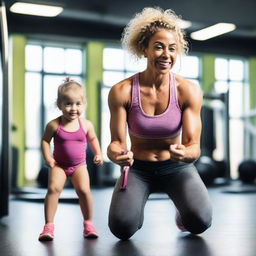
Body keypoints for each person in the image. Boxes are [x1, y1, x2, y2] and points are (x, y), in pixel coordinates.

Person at [107, 7, 212, 240]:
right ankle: (135, 210)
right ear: (144, 49)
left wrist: (185, 154)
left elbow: (193, 146)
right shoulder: (122, 91)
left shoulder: (188, 91)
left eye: (172, 48)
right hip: (137, 169)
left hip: (176, 168)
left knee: (199, 222)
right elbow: (115, 143)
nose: (166, 54)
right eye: (159, 46)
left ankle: (181, 209)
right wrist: (118, 156)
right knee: (122, 228)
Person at [38, 78, 103, 241]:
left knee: (84, 191)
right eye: (68, 104)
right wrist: (48, 157)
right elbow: (45, 141)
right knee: (53, 190)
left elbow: (93, 139)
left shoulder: (86, 125)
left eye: (77, 104)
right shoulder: (54, 125)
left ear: (83, 103)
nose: (73, 108)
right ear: (59, 105)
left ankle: (88, 223)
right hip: (59, 165)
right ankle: (48, 226)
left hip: (79, 165)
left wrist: (98, 153)